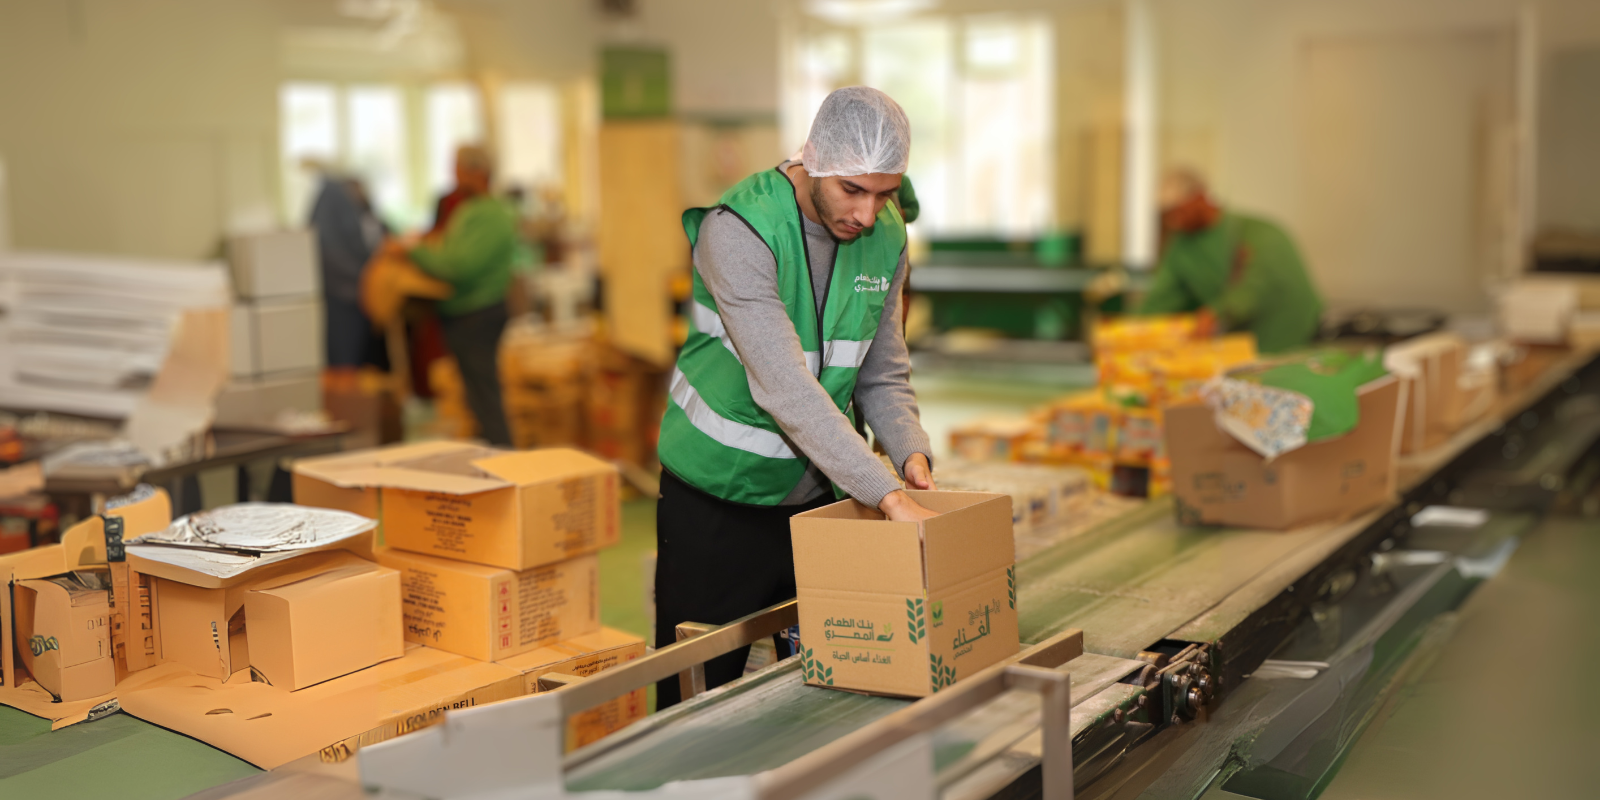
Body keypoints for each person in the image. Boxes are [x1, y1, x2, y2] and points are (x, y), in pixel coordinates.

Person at [653, 87, 939, 708]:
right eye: (852, 191)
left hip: (816, 497)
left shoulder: (885, 235)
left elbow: (881, 366)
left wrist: (909, 452)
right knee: (695, 703)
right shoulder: (740, 231)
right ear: (814, 161)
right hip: (717, 497)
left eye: (885, 193)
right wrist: (883, 491)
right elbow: (784, 385)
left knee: (814, 693)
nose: (867, 214)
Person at [1138, 168, 1323, 353]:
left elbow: (1252, 289)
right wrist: (1133, 325)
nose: (1174, 221)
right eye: (1168, 215)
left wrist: (1215, 314)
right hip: (1238, 343)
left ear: (1200, 196)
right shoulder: (1182, 246)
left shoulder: (1260, 234)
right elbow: (1162, 295)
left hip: (1290, 333)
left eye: (1180, 211)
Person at [405, 145, 518, 447]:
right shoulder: (470, 210)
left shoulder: (488, 215)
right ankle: (491, 456)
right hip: (464, 315)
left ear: (477, 172)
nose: (454, 176)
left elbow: (458, 266)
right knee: (475, 397)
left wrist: (414, 252)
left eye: (458, 168)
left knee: (485, 397)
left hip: (478, 315)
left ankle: (505, 458)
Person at [308, 171, 385, 369]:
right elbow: (332, 254)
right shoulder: (333, 204)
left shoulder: (365, 214)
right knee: (345, 361)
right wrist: (364, 276)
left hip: (360, 294)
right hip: (345, 296)